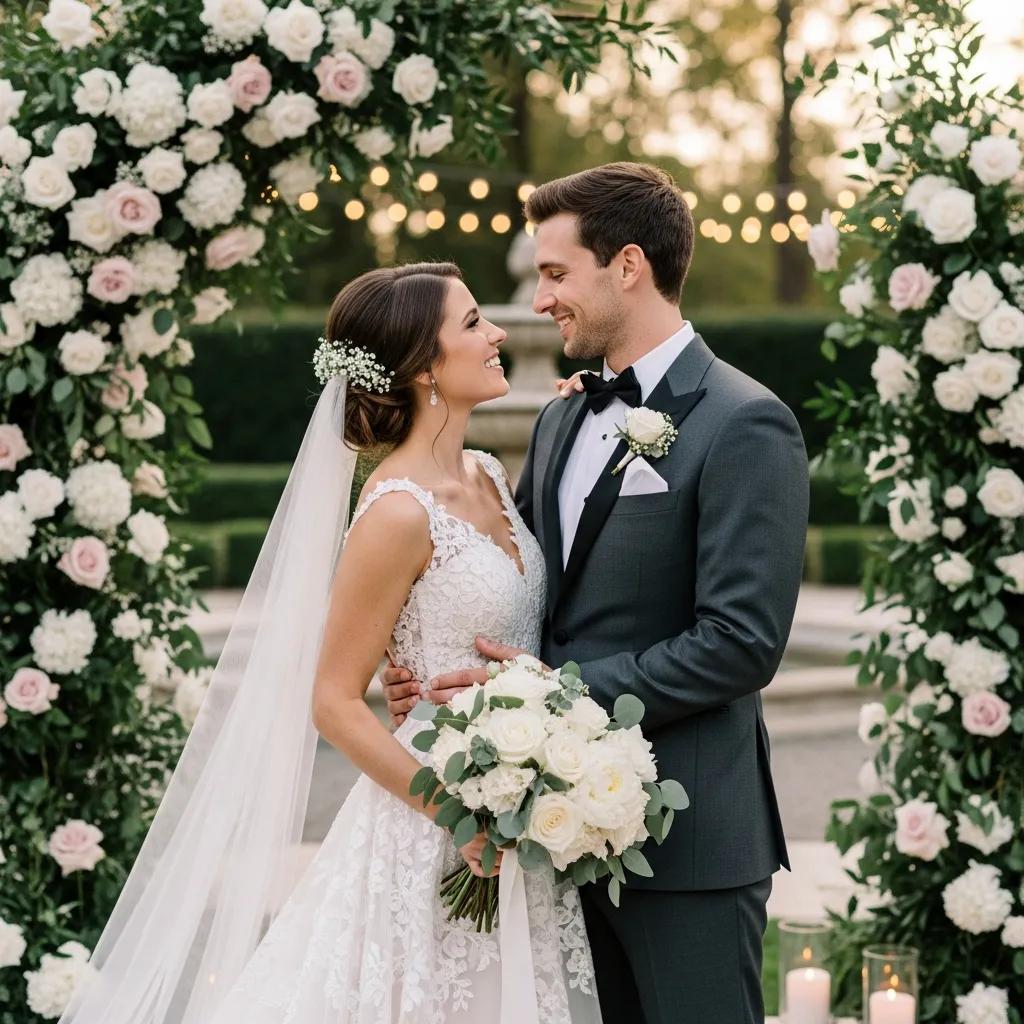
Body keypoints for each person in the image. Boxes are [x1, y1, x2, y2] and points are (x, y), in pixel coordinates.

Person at [60, 263, 601, 1024]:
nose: (501, 333)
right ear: (421, 368)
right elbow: (333, 702)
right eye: (474, 323)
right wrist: (458, 816)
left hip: (516, 800)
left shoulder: (486, 472)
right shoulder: (396, 513)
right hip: (439, 821)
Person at [382, 163, 810, 1024]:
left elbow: (740, 641)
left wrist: (559, 701)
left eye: (554, 273)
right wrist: (436, 680)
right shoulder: (560, 417)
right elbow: (535, 601)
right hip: (553, 846)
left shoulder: (744, 420)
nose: (538, 302)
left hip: (688, 846)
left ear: (627, 266)